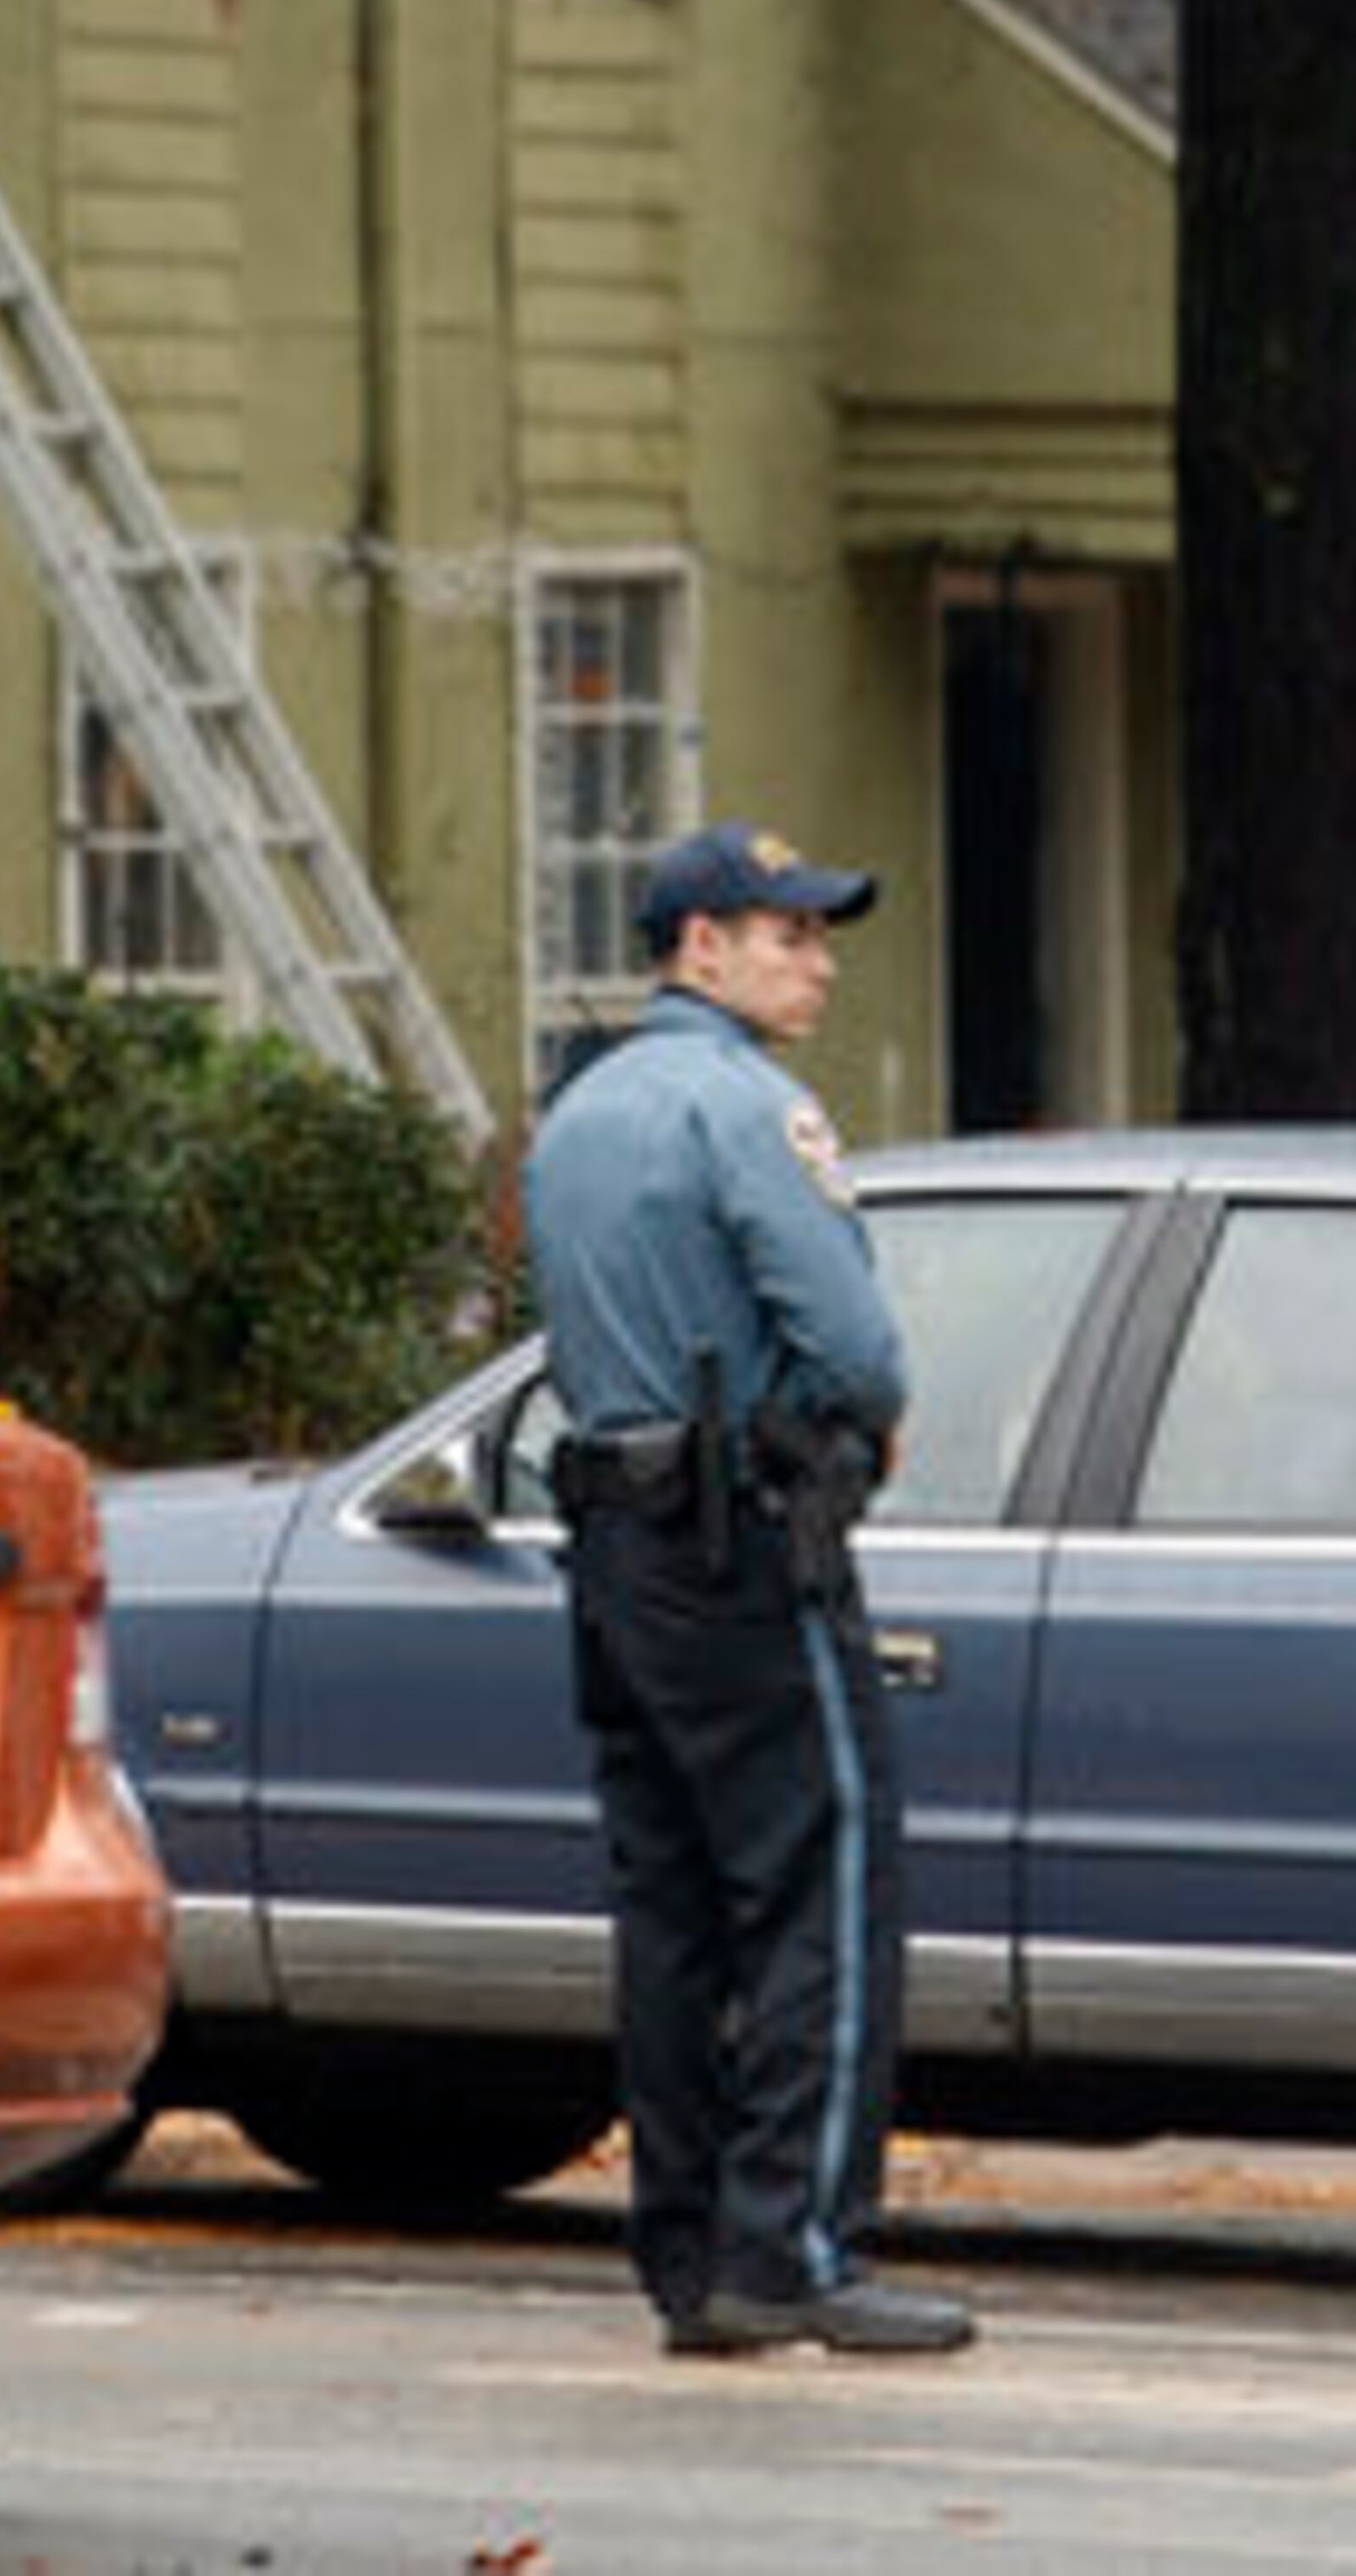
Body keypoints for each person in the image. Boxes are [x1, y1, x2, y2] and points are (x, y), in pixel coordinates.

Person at [523, 818, 975, 2363]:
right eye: (787, 932)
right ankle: (791, 2248)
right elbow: (852, 1342)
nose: (820, 959)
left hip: (616, 1539)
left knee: (672, 1907)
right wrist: (875, 1409)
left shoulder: (579, 1108)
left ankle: (689, 2251)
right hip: (742, 1535)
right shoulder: (747, 1103)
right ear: (698, 946)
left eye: (818, 930)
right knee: (823, 1883)